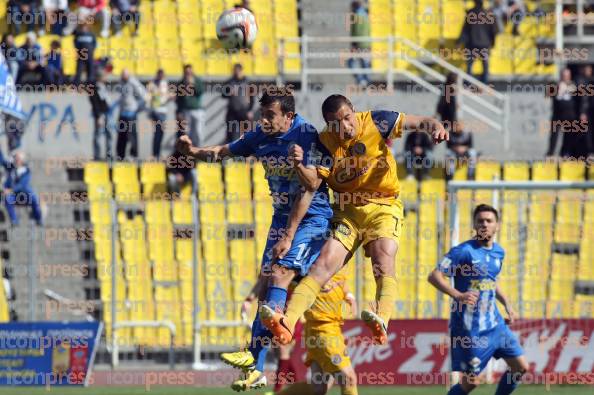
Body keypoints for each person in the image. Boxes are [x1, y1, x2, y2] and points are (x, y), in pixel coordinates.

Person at [260, 94, 448, 346]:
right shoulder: (324, 143)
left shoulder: (377, 121)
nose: (345, 127)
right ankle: (287, 322)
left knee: (382, 259)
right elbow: (310, 188)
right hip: (348, 212)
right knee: (323, 266)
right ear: (328, 124)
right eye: (336, 124)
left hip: (384, 205)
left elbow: (421, 122)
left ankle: (382, 316)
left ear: (354, 112)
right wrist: (289, 234)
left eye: (348, 118)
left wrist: (435, 126)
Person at [176, 90, 333, 391]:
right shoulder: (260, 135)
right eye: (262, 114)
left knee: (280, 274)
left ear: (288, 116)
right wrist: (192, 151)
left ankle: (284, 329)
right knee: (265, 291)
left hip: (312, 218)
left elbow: (312, 186)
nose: (263, 120)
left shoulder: (305, 134)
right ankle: (257, 368)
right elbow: (222, 153)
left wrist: (289, 234)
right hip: (281, 219)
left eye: (270, 115)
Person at [427, 204, 528, 395]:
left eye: (489, 221)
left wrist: (507, 304)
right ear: (474, 224)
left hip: (496, 325)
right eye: (480, 220)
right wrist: (458, 295)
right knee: (472, 382)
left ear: (497, 225)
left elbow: (490, 282)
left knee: (520, 368)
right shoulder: (462, 251)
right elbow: (434, 276)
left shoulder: (499, 252)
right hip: (471, 330)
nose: (484, 224)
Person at [276, 270, 358, 395]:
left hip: (328, 332)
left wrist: (350, 296)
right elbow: (285, 280)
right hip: (323, 333)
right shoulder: (310, 269)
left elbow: (343, 285)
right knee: (348, 379)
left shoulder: (338, 264)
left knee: (318, 389)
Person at [0, 150, 43, 226]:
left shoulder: (26, 171)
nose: (16, 160)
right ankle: (14, 221)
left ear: (22, 160)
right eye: (15, 158)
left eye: (18, 159)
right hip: (14, 196)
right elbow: (2, 160)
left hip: (25, 195)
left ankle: (38, 219)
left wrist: (10, 190)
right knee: (7, 199)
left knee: (34, 199)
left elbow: (22, 185)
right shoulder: (11, 168)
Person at [459, 0, 497, 83]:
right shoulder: (488, 14)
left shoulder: (470, 13)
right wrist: (493, 43)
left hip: (472, 43)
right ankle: (484, 83)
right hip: (485, 44)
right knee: (485, 65)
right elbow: (493, 30)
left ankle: (468, 84)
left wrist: (460, 41)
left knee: (469, 65)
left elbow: (465, 29)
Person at [546, 67, 582, 157]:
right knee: (554, 136)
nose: (565, 77)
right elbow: (547, 95)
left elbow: (580, 100)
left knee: (568, 137)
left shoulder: (574, 86)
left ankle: (565, 154)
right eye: (564, 76)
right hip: (557, 114)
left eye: (567, 76)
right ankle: (551, 153)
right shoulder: (555, 85)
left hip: (570, 115)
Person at [115, 69, 146, 160]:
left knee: (132, 135)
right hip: (122, 113)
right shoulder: (120, 83)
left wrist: (136, 108)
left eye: (124, 75)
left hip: (131, 114)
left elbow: (144, 95)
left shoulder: (133, 82)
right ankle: (120, 155)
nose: (123, 76)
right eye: (122, 75)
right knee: (121, 136)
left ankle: (133, 155)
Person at [221, 63, 255, 143]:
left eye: (238, 71)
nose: (237, 72)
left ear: (241, 71)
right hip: (232, 110)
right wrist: (228, 92)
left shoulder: (248, 82)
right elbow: (223, 95)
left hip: (244, 110)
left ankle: (246, 152)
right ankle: (229, 152)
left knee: (246, 133)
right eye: (235, 71)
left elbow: (252, 97)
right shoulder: (229, 82)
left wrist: (250, 110)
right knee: (230, 133)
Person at [176, 64, 205, 147]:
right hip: (186, 111)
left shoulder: (197, 81)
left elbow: (200, 91)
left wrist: (192, 84)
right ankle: (189, 152)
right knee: (187, 133)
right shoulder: (181, 83)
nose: (188, 73)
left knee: (198, 132)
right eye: (186, 72)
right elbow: (179, 99)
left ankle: (199, 150)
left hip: (197, 110)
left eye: (189, 71)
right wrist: (179, 112)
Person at [146, 69, 172, 158]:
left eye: (162, 75)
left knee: (160, 132)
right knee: (158, 132)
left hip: (163, 111)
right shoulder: (152, 84)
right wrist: (149, 111)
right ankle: (155, 153)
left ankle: (157, 153)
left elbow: (165, 97)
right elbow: (148, 98)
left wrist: (169, 96)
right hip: (155, 111)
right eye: (160, 74)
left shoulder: (165, 83)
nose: (161, 76)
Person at [89, 70, 112, 160]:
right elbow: (95, 103)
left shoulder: (104, 87)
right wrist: (99, 116)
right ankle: (97, 156)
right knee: (98, 135)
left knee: (109, 134)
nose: (105, 78)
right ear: (99, 77)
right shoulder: (94, 88)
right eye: (104, 76)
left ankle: (109, 155)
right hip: (100, 115)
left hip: (107, 113)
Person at [346, 1, 371, 87]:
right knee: (365, 63)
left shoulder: (357, 16)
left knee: (351, 62)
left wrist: (355, 44)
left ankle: (362, 80)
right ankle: (366, 82)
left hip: (360, 44)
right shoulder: (365, 14)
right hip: (366, 44)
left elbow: (359, 32)